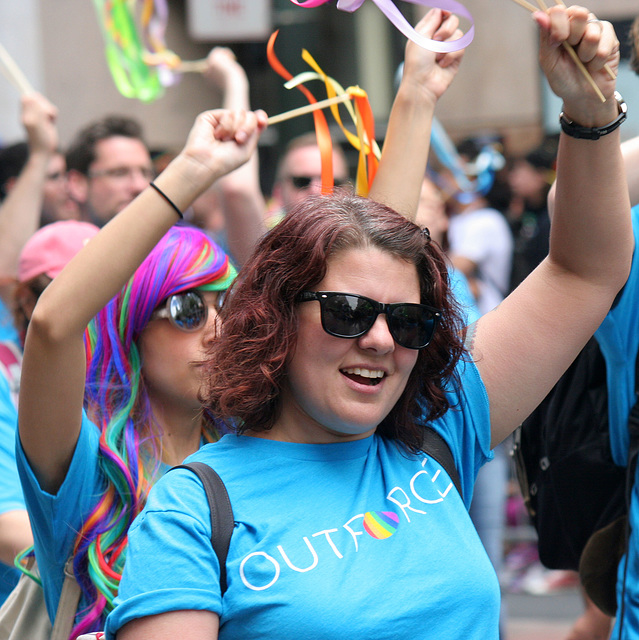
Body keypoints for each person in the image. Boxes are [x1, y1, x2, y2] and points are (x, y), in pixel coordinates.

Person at [104, 6, 631, 640]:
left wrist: (591, 114)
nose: (381, 339)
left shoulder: (438, 433)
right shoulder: (192, 510)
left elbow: (583, 272)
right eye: (347, 313)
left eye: (408, 322)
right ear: (276, 318)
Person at [0, 219, 99, 606]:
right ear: (26, 300)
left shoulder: (124, 372)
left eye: (103, 293)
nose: (84, 310)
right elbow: (7, 527)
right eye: (64, 293)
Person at [65, 115, 154, 227]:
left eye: (145, 173)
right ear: (78, 184)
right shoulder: (56, 242)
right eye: (120, 173)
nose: (140, 186)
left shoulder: (173, 242)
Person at [265, 131, 350, 227]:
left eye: (332, 182)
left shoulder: (368, 239)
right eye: (302, 182)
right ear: (278, 192)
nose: (316, 191)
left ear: (348, 191)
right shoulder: (257, 239)